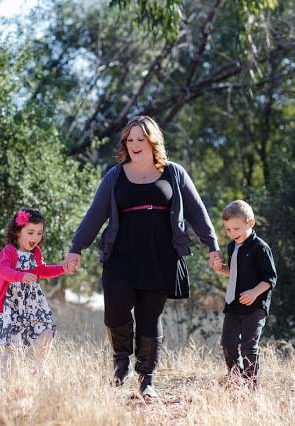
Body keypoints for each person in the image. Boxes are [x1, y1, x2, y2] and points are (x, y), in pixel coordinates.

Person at [63, 115, 222, 401]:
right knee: (115, 308)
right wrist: (77, 247)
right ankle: (121, 360)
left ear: (153, 141)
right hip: (121, 255)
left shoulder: (174, 173)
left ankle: (146, 379)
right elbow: (95, 214)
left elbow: (198, 212)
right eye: (130, 139)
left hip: (160, 257)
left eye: (141, 139)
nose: (135, 145)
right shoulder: (115, 175)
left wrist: (212, 245)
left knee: (150, 318)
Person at [0, 208, 68, 378]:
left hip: (32, 304)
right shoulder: (9, 251)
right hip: (11, 305)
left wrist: (62, 268)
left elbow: (42, 271)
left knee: (46, 332)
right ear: (17, 231)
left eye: (39, 233)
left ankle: (39, 368)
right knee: (13, 348)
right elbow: (3, 270)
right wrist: (21, 275)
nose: (35, 238)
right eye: (30, 232)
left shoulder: (36, 252)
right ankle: (6, 383)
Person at [212, 200, 277, 389]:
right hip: (233, 304)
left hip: (255, 306)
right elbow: (234, 272)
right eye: (228, 230)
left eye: (236, 228)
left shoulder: (260, 248)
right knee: (228, 343)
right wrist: (221, 268)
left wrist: (254, 292)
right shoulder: (232, 247)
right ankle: (236, 381)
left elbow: (271, 278)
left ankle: (251, 386)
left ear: (250, 223)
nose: (232, 233)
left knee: (249, 347)